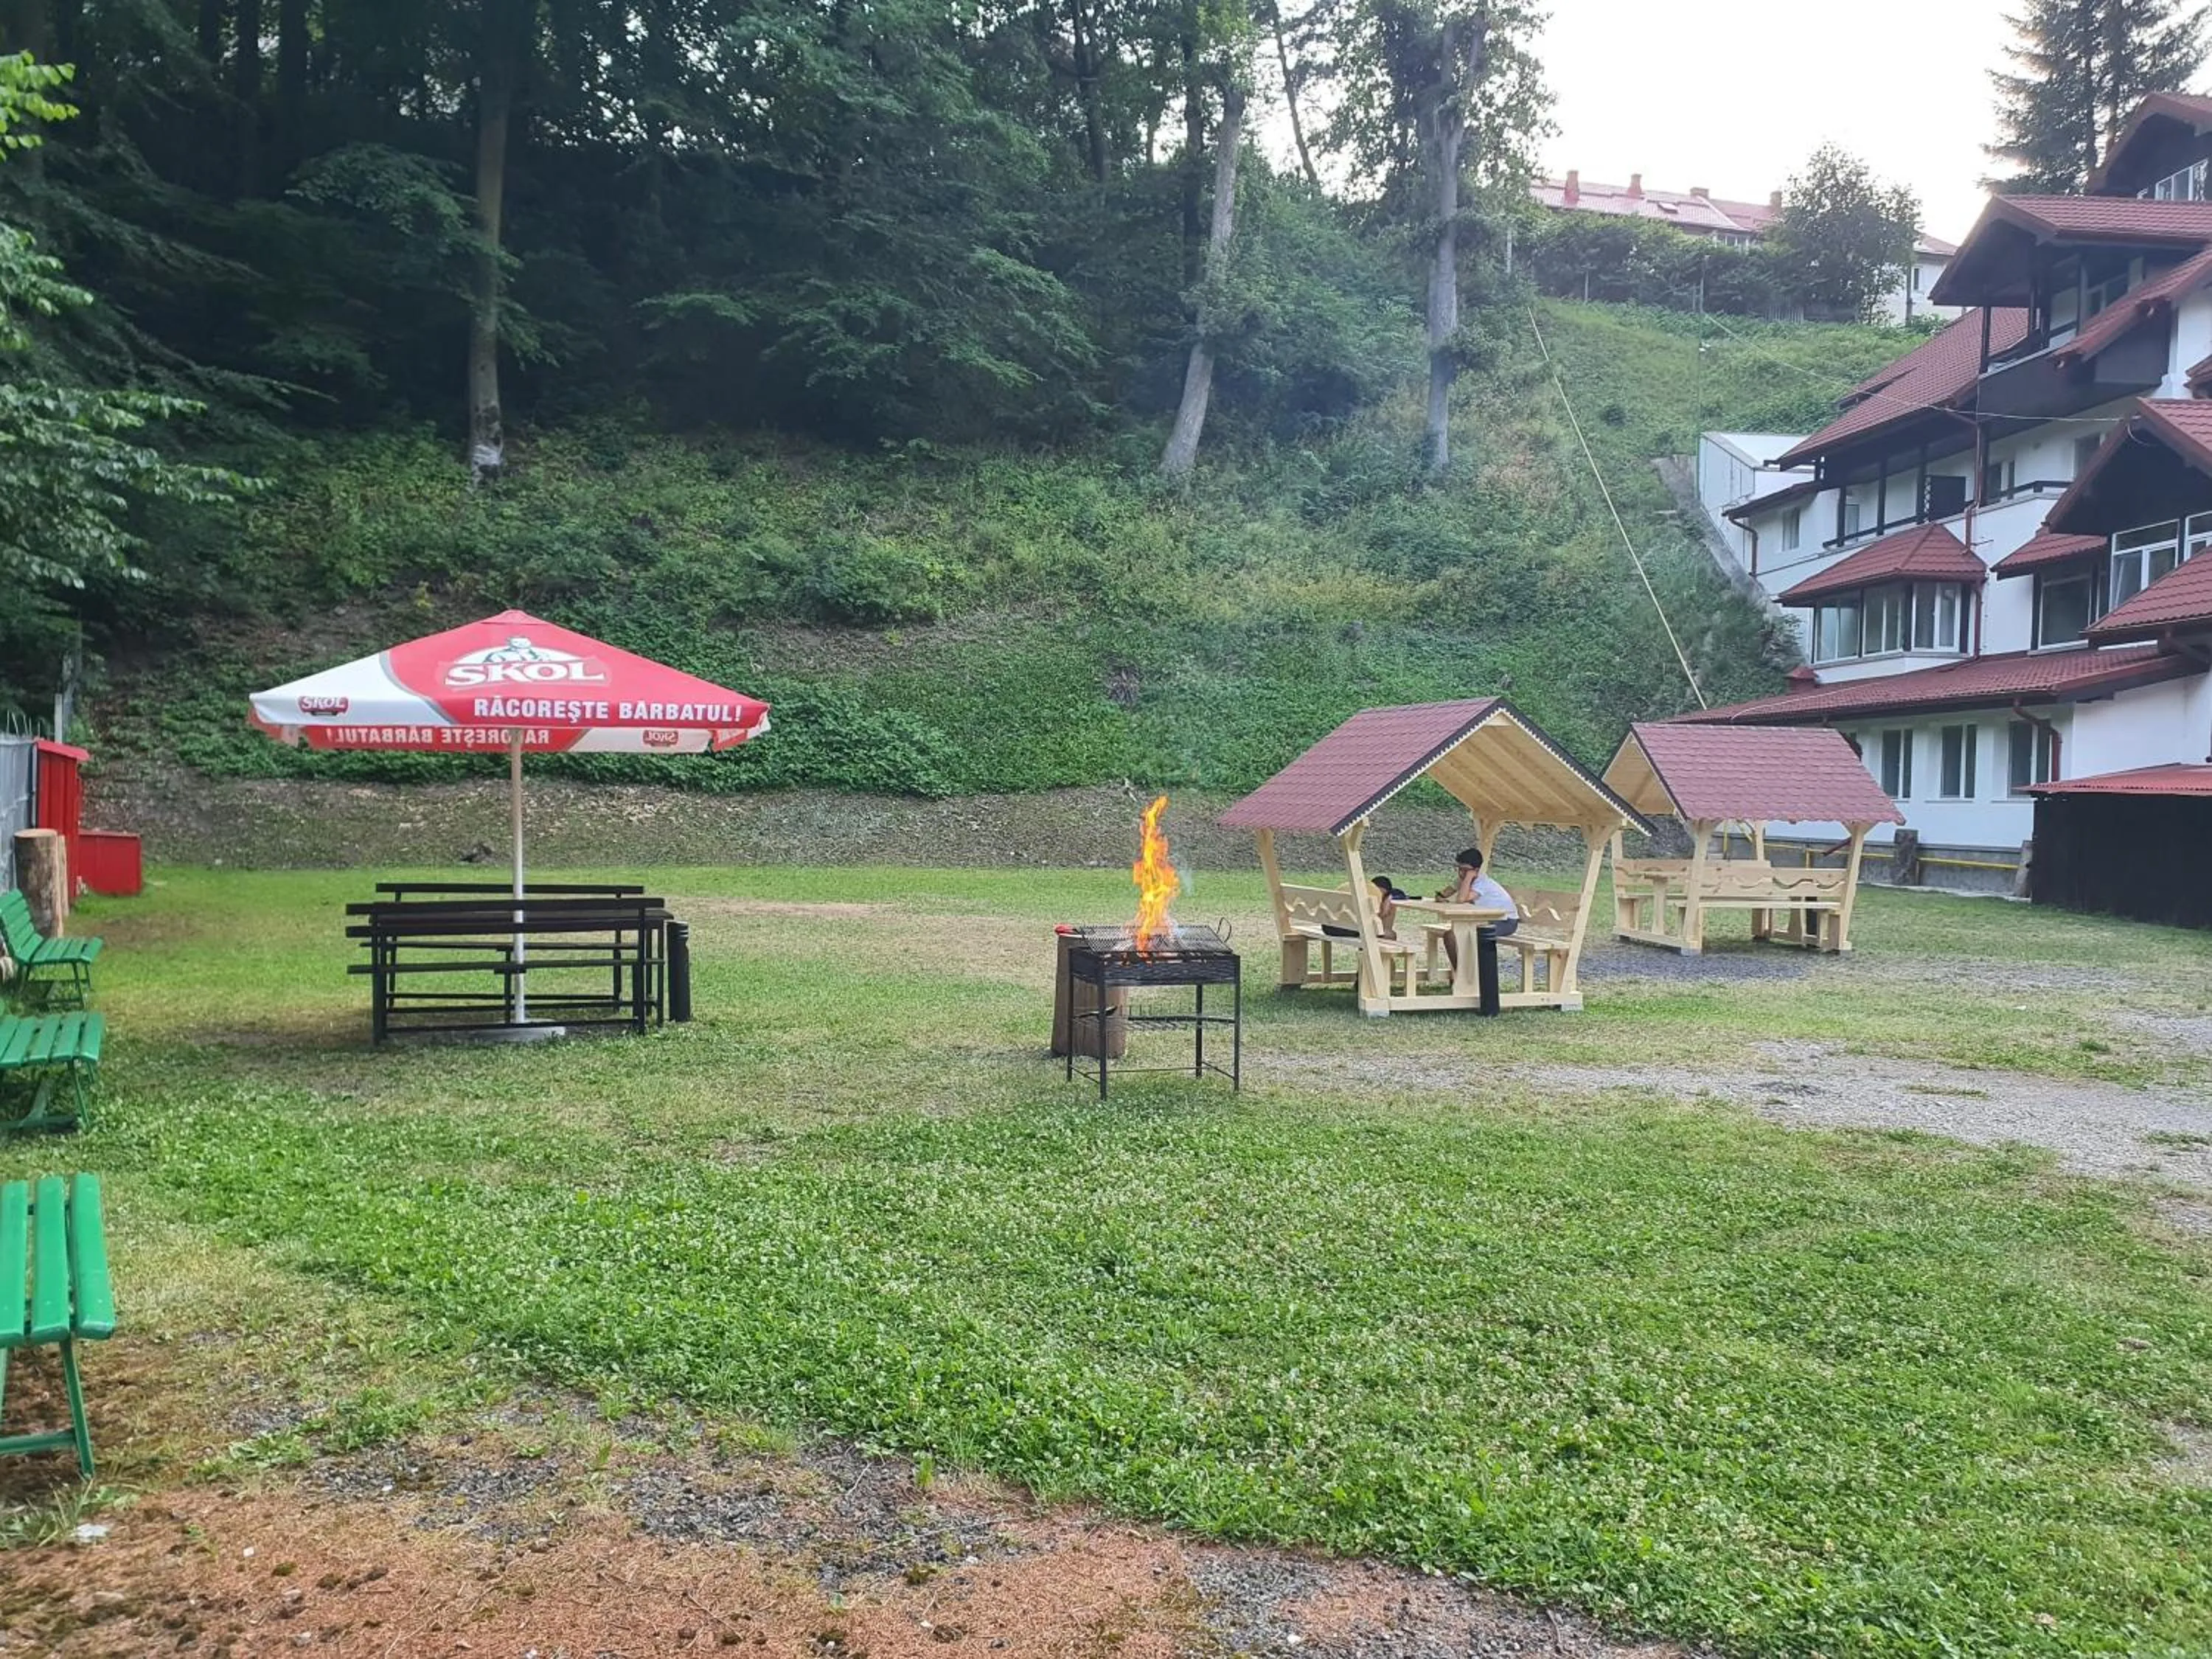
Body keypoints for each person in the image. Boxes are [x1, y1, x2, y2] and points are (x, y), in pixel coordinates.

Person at [1433, 846, 1517, 974]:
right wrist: (1442, 896)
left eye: (1465, 870)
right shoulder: (1464, 879)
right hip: (1484, 920)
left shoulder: (1482, 883)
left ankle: (1467, 976)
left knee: (1456, 936)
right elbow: (1445, 893)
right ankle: (1462, 975)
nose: (1461, 873)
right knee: (1451, 935)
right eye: (1459, 869)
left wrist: (1468, 878)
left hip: (1505, 922)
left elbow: (1462, 899)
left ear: (1476, 870)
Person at [1321, 874, 1408, 939]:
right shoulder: (1375, 893)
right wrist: (1388, 899)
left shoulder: (1352, 886)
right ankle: (1378, 962)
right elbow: (1376, 919)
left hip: (1327, 927)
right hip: (1346, 928)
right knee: (1390, 934)